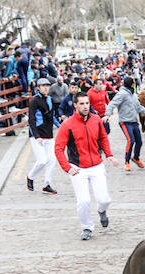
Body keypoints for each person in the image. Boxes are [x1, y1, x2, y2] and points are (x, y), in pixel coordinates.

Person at [54, 92, 120, 240]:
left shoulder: (96, 120)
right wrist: (67, 167)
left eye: (87, 103)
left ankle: (102, 211)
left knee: (104, 200)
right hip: (77, 168)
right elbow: (58, 148)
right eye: (82, 104)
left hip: (97, 165)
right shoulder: (67, 125)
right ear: (75, 105)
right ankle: (87, 228)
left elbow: (103, 137)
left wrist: (109, 155)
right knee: (83, 201)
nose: (85, 106)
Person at [104, 76, 145, 171]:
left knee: (139, 142)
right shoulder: (122, 94)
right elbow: (112, 104)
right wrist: (107, 115)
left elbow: (139, 108)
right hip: (125, 122)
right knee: (131, 141)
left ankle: (136, 157)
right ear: (132, 84)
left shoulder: (134, 95)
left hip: (134, 122)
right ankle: (126, 162)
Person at [27, 78, 59, 194]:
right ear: (38, 88)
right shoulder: (34, 101)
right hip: (38, 135)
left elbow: (53, 116)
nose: (46, 88)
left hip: (49, 134)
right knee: (42, 161)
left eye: (47, 85)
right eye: (43, 86)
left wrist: (61, 127)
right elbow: (31, 120)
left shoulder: (50, 99)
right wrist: (36, 136)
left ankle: (47, 184)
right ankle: (30, 177)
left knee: (52, 160)